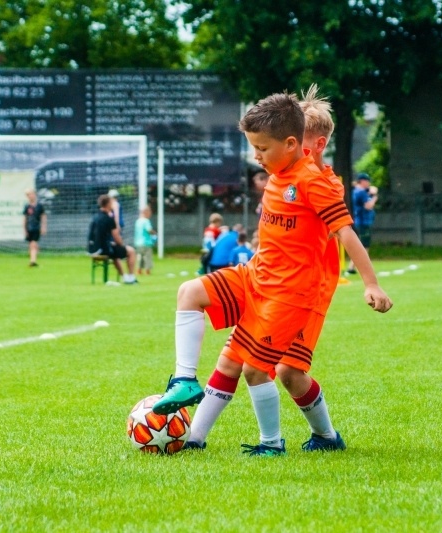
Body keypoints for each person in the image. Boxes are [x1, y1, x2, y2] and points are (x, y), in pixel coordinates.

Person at [154, 90, 391, 458]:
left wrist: (371, 284)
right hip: (256, 276)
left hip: (292, 294)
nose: (256, 156)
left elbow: (344, 232)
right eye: (255, 147)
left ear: (299, 143)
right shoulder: (278, 175)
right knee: (192, 296)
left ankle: (272, 443)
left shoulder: (318, 182)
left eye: (262, 148)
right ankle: (186, 390)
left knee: (269, 370)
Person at [88, 194, 138, 284]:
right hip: (103, 250)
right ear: (108, 204)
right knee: (131, 251)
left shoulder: (95, 217)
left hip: (92, 249)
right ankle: (131, 277)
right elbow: (116, 237)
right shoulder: (109, 219)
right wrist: (121, 245)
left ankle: (125, 277)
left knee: (115, 253)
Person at [346, 172, 377, 274]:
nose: (368, 183)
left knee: (362, 245)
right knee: (364, 245)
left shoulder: (357, 191)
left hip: (360, 221)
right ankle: (363, 268)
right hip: (363, 221)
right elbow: (368, 205)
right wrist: (374, 196)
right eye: (367, 181)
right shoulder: (361, 192)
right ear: (363, 181)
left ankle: (352, 267)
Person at [22, 188, 46, 267]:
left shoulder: (40, 206)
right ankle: (33, 257)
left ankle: (33, 261)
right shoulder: (27, 206)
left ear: (34, 195)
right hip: (29, 228)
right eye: (28, 195)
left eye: (31, 194)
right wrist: (24, 229)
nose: (30, 196)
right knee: (32, 245)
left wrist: (43, 227)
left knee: (33, 243)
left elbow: (43, 217)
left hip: (37, 228)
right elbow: (25, 218)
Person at [134, 205, 157, 275]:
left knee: (140, 257)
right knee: (147, 257)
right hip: (146, 242)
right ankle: (147, 271)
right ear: (146, 212)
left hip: (138, 243)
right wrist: (154, 233)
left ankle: (139, 270)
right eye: (149, 211)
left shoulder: (138, 221)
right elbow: (149, 230)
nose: (150, 213)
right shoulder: (146, 221)